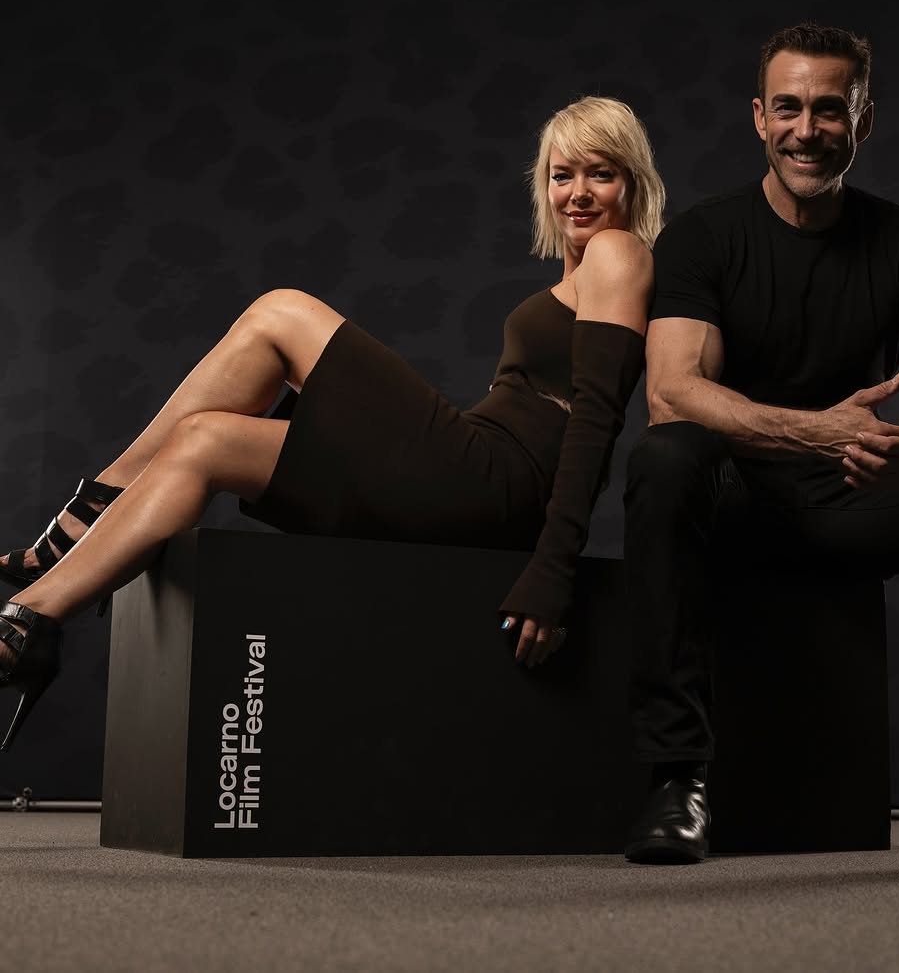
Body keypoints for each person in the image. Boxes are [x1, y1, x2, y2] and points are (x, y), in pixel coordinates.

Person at [0, 96, 663, 750]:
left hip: (495, 480)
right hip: (474, 474)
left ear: (632, 182)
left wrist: (553, 571)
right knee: (204, 441)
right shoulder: (577, 276)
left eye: (600, 173)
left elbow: (597, 419)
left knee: (279, 313)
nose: (578, 193)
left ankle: (94, 505)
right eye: (562, 174)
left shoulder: (619, 254)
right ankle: (30, 622)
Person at [621, 22, 899, 865]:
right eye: (788, 108)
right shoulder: (704, 238)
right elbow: (672, 391)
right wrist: (819, 430)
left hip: (859, 502)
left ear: (862, 121)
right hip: (743, 505)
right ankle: (677, 779)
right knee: (666, 454)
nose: (807, 130)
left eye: (829, 110)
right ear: (759, 117)